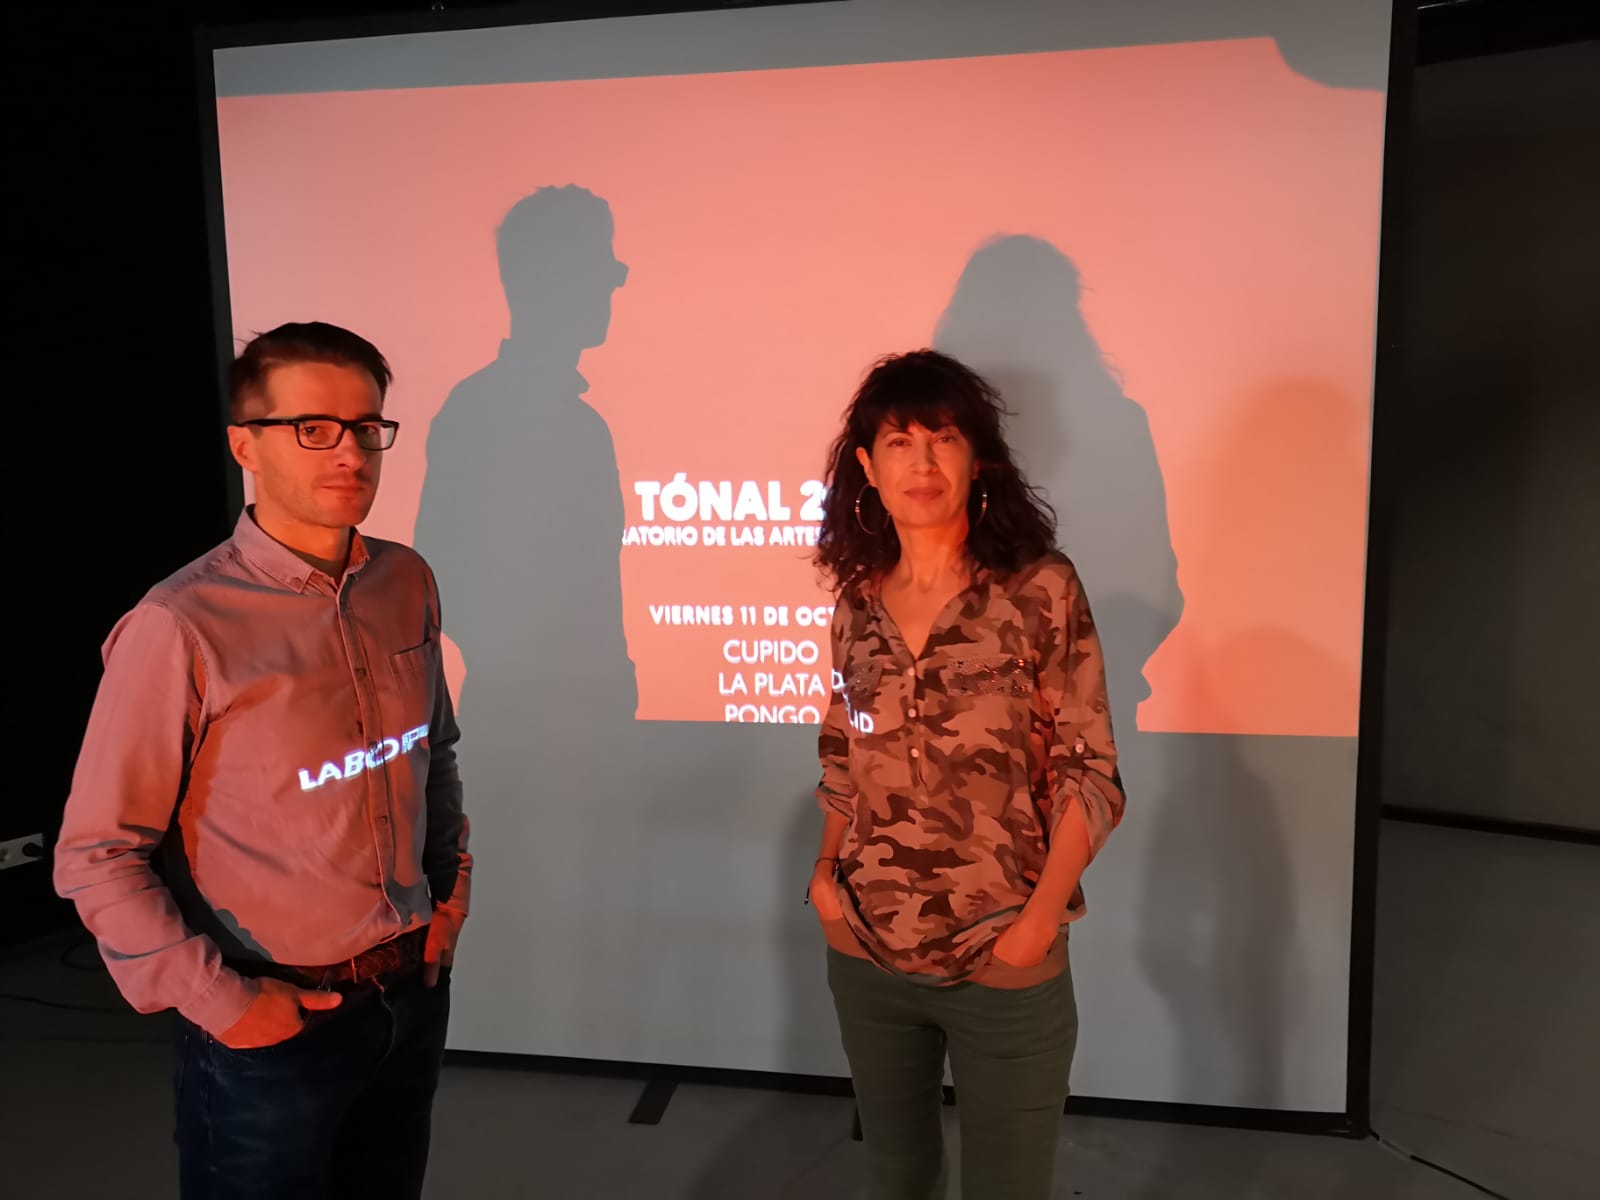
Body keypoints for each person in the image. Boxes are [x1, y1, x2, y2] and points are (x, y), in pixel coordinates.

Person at [53, 321, 470, 1200]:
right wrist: (225, 1006)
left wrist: (449, 891)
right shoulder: (180, 623)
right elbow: (97, 854)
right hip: (271, 1025)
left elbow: (431, 753)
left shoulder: (405, 580)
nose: (350, 451)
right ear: (245, 444)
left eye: (366, 426)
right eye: (314, 428)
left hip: (408, 999)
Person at [809, 349, 1124, 1200]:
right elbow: (842, 753)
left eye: (943, 438)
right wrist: (826, 879)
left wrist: (1037, 923)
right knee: (898, 1179)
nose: (922, 462)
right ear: (867, 466)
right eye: (899, 442)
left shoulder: (1038, 590)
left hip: (1003, 952)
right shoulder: (857, 601)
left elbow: (1090, 771)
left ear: (976, 458)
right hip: (868, 948)